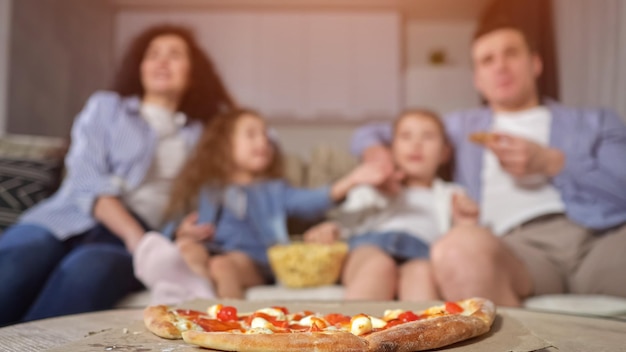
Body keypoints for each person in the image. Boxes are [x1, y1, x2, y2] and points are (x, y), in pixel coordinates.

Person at [350, 20, 626, 306]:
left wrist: (553, 162)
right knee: (455, 249)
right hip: (515, 249)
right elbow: (371, 133)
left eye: (511, 53)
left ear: (535, 64)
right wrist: (378, 156)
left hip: (601, 238)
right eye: (487, 60)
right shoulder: (461, 128)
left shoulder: (595, 122)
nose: (500, 66)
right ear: (477, 80)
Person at [0, 24, 235, 325]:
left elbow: (224, 184)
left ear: (193, 72)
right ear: (140, 67)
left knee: (87, 270)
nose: (162, 61)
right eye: (153, 54)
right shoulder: (106, 108)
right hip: (66, 217)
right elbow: (85, 177)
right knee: (22, 257)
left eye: (175, 55)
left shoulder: (203, 134)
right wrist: (137, 239)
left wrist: (182, 233)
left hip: (125, 243)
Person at [136, 109, 389, 299]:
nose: (263, 142)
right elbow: (177, 221)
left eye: (266, 137)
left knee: (222, 265)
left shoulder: (274, 190)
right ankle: (189, 293)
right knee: (186, 247)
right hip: (210, 247)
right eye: (251, 135)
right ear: (224, 145)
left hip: (254, 259)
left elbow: (312, 201)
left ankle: (227, 329)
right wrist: (181, 231)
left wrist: (351, 180)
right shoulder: (207, 189)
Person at [304, 110, 479, 301]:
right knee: (378, 266)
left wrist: (466, 223)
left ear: (445, 153)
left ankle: (425, 329)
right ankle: (351, 328)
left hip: (421, 252)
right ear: (392, 150)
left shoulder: (452, 194)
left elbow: (458, 247)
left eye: (427, 136)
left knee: (421, 274)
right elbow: (346, 222)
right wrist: (333, 229)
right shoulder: (373, 186)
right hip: (370, 245)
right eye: (406, 136)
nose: (416, 144)